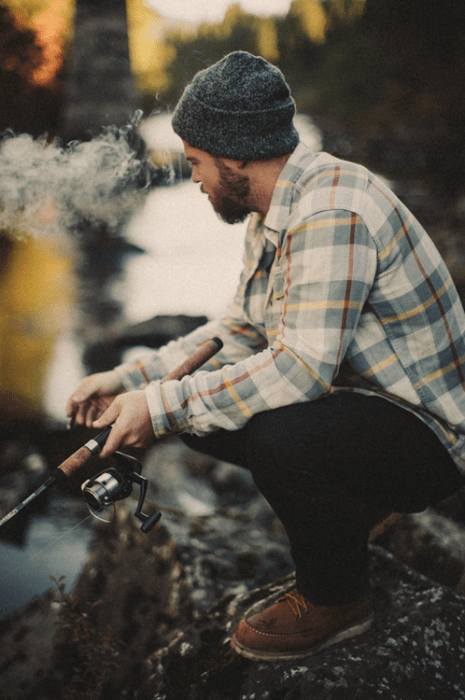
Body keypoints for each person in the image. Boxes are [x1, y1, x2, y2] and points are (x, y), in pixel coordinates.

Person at [66, 51, 465, 662]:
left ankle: (339, 599)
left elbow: (301, 370)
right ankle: (351, 518)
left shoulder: (332, 210)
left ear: (234, 155)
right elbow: (237, 331)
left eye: (196, 161)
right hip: (371, 407)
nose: (192, 177)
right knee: (201, 414)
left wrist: (165, 405)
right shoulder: (274, 210)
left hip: (433, 436)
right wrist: (129, 381)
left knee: (278, 434)